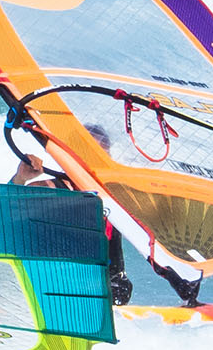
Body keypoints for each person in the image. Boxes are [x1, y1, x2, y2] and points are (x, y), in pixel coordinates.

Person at [8, 125, 133, 306]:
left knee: (120, 289)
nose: (91, 161)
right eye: (86, 153)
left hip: (97, 287)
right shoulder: (48, 189)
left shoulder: (113, 198)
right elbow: (5, 214)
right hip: (51, 283)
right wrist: (20, 179)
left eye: (100, 155)